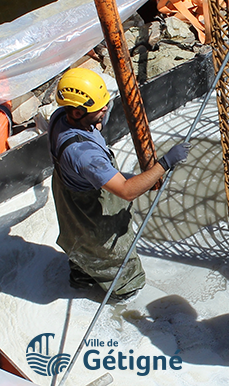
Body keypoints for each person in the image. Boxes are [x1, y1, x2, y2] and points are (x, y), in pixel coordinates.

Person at [49, 67, 191, 299]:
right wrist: (165, 162)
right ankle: (126, 291)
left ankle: (82, 276)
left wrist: (95, 121)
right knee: (112, 250)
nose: (105, 109)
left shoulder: (60, 117)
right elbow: (126, 191)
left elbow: (90, 128)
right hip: (90, 205)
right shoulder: (84, 155)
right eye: (98, 109)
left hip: (68, 190)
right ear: (76, 113)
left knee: (79, 240)